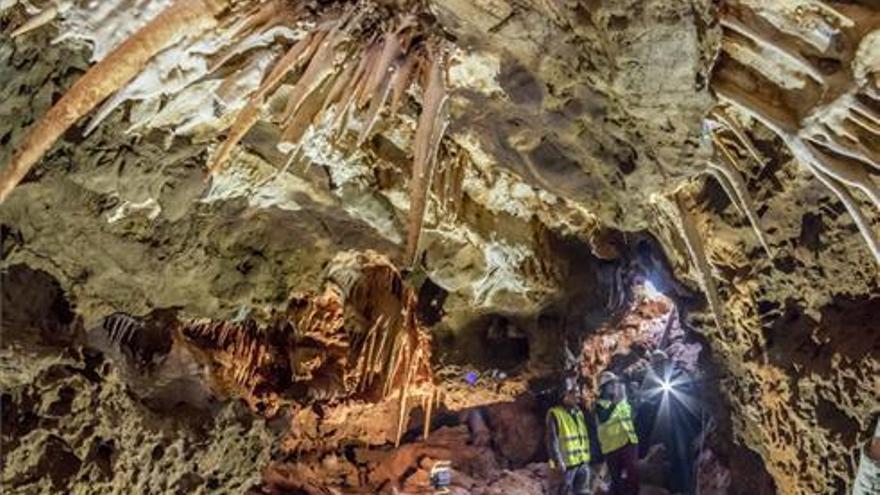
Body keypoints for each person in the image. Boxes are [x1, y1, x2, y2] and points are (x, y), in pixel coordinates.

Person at [596, 371, 640, 495]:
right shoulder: (599, 405)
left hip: (629, 442)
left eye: (615, 384)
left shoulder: (622, 402)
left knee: (633, 475)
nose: (614, 387)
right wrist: (615, 402)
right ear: (603, 388)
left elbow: (633, 414)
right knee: (616, 480)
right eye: (611, 384)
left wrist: (634, 395)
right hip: (612, 448)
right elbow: (604, 417)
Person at [546, 377, 592, 495]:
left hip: (582, 462)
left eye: (577, 392)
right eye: (573, 393)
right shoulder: (555, 414)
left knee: (583, 491)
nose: (577, 396)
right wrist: (558, 460)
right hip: (566, 466)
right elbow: (552, 440)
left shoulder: (579, 413)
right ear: (564, 395)